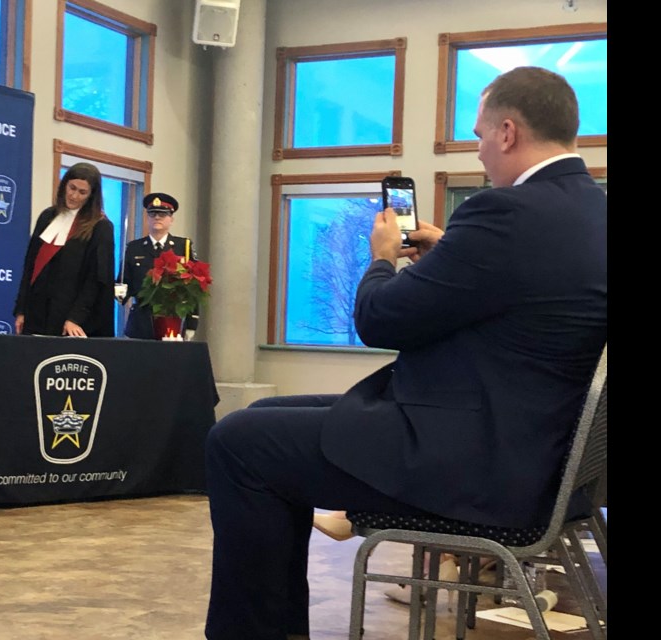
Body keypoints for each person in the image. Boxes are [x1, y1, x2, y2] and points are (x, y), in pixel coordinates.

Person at [203, 65, 607, 640]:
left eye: (480, 135)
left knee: (237, 444)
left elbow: (379, 318)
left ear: (509, 132)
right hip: (536, 450)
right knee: (260, 419)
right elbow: (521, 295)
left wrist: (382, 257)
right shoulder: (591, 211)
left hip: (475, 463)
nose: (480, 151)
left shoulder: (505, 214)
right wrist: (450, 250)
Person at [13, 162, 114, 337]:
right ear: (64, 185)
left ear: (91, 195)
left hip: (70, 319)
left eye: (82, 192)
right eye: (71, 188)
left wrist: (76, 317)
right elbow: (30, 266)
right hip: (37, 312)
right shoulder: (47, 217)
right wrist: (21, 309)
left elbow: (96, 278)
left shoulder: (100, 226)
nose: (74, 196)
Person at [116, 192, 200, 340]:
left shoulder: (183, 247)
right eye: (152, 214)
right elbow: (123, 281)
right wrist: (120, 293)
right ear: (147, 217)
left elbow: (194, 288)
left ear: (171, 219)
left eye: (163, 214)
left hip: (173, 320)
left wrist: (192, 323)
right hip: (141, 322)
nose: (157, 218)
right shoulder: (134, 248)